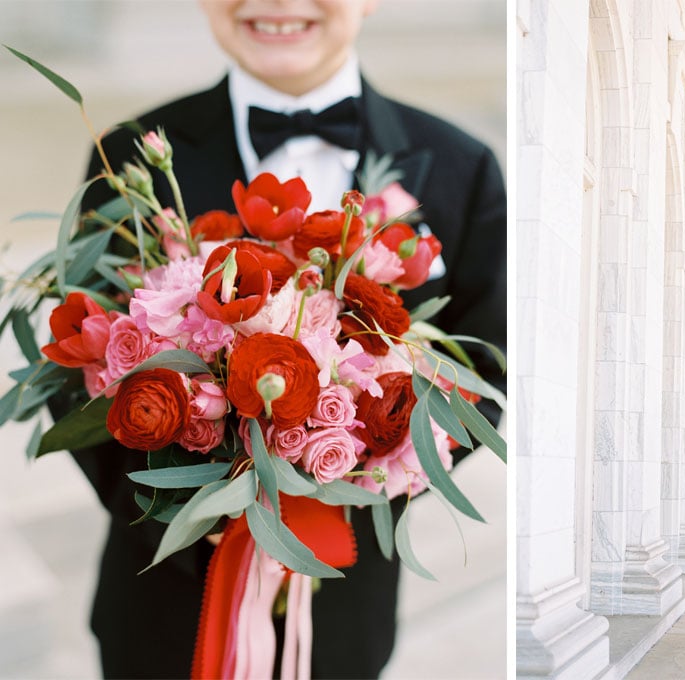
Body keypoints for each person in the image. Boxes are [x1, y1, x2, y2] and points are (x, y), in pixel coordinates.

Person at [58, 1, 507, 677]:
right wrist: (177, 498)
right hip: (161, 596)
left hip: (341, 604)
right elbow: (73, 364)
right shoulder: (130, 154)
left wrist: (364, 474)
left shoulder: (459, 167)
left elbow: (485, 369)